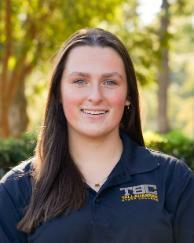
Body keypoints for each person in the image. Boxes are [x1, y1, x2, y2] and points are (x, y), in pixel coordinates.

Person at [0, 28, 194, 243]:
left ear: (128, 95)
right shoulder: (16, 189)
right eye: (80, 81)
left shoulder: (174, 180)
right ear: (58, 93)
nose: (95, 96)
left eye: (110, 82)